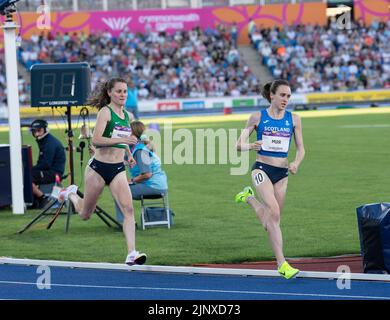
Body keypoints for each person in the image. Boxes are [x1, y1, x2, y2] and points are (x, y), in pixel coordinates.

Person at [58, 77, 147, 266]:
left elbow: (122, 138)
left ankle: (131, 253)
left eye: (125, 91)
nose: (122, 95)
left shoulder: (128, 116)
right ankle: (72, 194)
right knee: (85, 214)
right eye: (119, 91)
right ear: (109, 93)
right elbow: (96, 140)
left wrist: (128, 153)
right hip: (98, 168)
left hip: (117, 169)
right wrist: (121, 143)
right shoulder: (105, 113)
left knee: (129, 209)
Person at [235, 79, 305, 279]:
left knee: (271, 221)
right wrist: (251, 145)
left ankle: (248, 198)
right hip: (261, 170)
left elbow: (301, 149)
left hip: (282, 174)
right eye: (282, 95)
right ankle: (282, 264)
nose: (286, 99)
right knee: (273, 213)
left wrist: (295, 163)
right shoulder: (257, 117)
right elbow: (238, 144)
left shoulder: (294, 119)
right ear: (272, 95)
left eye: (289, 96)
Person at [115, 121, 168, 223]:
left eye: (127, 132)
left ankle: (124, 223)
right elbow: (122, 160)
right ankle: (125, 221)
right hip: (155, 185)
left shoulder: (140, 151)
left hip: (153, 186)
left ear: (133, 134)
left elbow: (147, 174)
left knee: (119, 191)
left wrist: (131, 180)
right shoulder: (136, 148)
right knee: (119, 188)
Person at [30, 119, 66, 209]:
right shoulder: (46, 140)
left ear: (45, 129)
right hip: (51, 171)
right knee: (29, 175)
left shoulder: (49, 143)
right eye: (35, 131)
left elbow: (45, 164)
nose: (37, 134)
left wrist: (30, 169)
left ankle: (44, 199)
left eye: (39, 131)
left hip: (54, 173)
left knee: (27, 177)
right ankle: (35, 200)